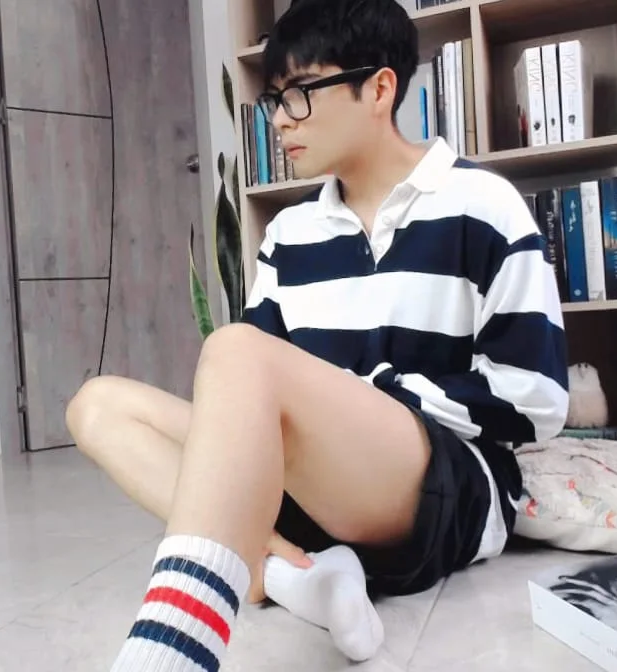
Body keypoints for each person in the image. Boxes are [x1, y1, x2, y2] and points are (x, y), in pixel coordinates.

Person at [65, 1, 569, 669]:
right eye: (275, 99)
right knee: (96, 405)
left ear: (379, 89)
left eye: (300, 93)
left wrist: (373, 396)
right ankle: (292, 574)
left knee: (236, 350)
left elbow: (537, 399)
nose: (280, 120)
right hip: (317, 491)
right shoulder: (289, 234)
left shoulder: (483, 205)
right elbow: (251, 395)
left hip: (442, 488)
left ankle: (171, 651)